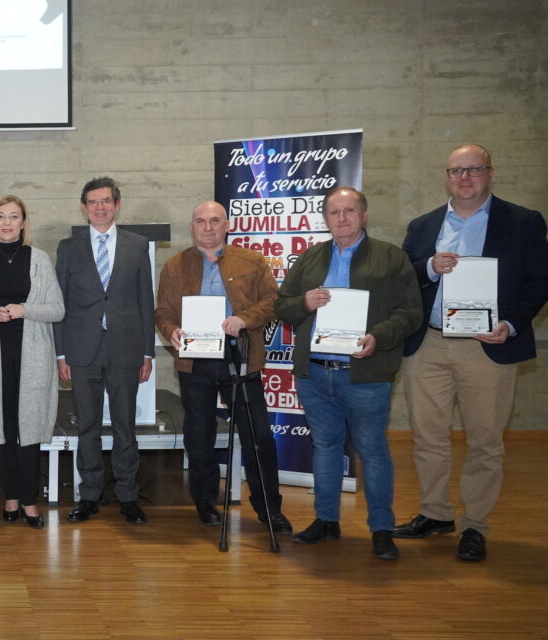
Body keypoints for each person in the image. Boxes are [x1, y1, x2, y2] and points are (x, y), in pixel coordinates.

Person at [394, 144, 548, 562]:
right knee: (428, 436)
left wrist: (512, 323)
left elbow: (539, 280)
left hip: (489, 344)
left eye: (474, 169)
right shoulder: (424, 224)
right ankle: (435, 513)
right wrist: (429, 267)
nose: (465, 178)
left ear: (490, 173)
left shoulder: (522, 221)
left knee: (485, 441)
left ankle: (475, 525)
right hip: (430, 343)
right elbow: (403, 273)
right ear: (446, 176)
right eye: (456, 171)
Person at [274, 186, 421, 561]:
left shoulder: (391, 257)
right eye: (334, 212)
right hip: (315, 374)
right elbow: (282, 307)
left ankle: (382, 529)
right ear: (325, 218)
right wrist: (303, 302)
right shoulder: (309, 259)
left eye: (349, 211)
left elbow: (409, 312)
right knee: (324, 447)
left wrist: (378, 337)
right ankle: (326, 521)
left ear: (364, 215)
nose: (342, 218)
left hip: (366, 372)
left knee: (372, 451)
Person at [155, 201, 291, 533]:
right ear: (192, 227)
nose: (207, 227)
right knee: (198, 434)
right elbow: (163, 311)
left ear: (226, 225)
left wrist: (245, 318)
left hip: (240, 355)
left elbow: (274, 301)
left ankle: (268, 509)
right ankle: (205, 502)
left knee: (257, 435)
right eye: (200, 221)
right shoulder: (174, 266)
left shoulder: (253, 260)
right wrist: (171, 330)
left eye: (214, 221)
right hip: (195, 358)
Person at [54, 176, 155, 525]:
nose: (100, 207)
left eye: (106, 201)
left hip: (126, 350)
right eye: (93, 202)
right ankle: (90, 495)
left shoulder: (137, 245)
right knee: (88, 426)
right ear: (84, 208)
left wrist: (148, 353)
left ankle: (128, 495)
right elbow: (61, 304)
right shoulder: (69, 248)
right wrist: (60, 354)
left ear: (117, 204)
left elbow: (146, 300)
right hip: (82, 351)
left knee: (125, 426)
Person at [0, 195, 64, 529]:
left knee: (29, 429)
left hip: (33, 356)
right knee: (4, 428)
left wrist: (25, 309)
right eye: (1, 217)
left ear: (24, 223)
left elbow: (58, 309)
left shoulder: (39, 259)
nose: (7, 223)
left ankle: (29, 501)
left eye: (14, 217)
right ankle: (9, 497)